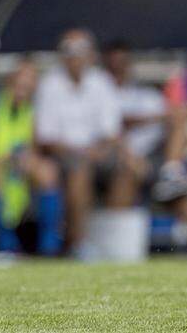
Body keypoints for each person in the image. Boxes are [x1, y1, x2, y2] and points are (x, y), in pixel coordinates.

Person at [102, 40, 187, 255]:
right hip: (118, 159)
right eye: (114, 63)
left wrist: (183, 111)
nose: (119, 68)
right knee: (127, 173)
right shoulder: (100, 92)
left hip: (152, 159)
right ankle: (118, 246)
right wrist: (156, 118)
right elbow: (116, 126)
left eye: (122, 63)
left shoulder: (144, 95)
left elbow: (172, 115)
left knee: (178, 186)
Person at [33, 29, 141, 258]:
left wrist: (103, 151)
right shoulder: (50, 85)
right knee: (79, 169)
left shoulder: (100, 82)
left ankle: (112, 244)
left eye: (80, 50)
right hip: (65, 154)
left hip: (98, 152)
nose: (75, 56)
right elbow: (47, 139)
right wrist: (84, 152)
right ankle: (79, 244)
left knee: (125, 171)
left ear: (91, 54)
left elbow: (111, 132)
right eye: (69, 51)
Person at [0, 57, 63, 256]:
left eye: (31, 79)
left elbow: (34, 146)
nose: (25, 84)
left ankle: (48, 244)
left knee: (47, 171)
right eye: (22, 78)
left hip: (16, 163)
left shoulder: (32, 109)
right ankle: (4, 239)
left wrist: (25, 158)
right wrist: (4, 159)